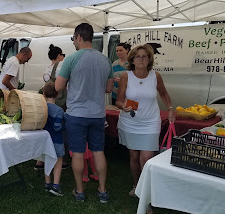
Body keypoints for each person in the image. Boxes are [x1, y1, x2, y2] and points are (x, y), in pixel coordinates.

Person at [55, 23, 114, 203]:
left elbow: (58, 87)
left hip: (76, 114)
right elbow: (108, 89)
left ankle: (80, 191)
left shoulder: (71, 59)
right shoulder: (105, 60)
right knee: (98, 152)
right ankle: (102, 191)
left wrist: (74, 85)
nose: (73, 42)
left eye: (73, 38)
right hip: (97, 114)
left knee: (78, 154)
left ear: (79, 37)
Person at [115, 44, 174, 200]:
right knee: (134, 156)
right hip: (130, 122)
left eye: (144, 56)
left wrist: (170, 108)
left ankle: (145, 194)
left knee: (146, 158)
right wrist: (124, 106)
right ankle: (137, 186)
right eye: (137, 56)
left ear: (149, 60)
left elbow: (164, 93)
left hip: (150, 122)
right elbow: (119, 100)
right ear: (132, 59)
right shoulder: (126, 76)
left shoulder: (156, 76)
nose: (141, 59)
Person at [35, 44, 70, 171]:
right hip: (59, 103)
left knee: (45, 130)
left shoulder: (47, 69)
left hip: (47, 104)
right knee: (60, 132)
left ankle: (40, 160)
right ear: (59, 56)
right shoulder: (61, 67)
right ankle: (62, 159)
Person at [42, 80, 65, 196]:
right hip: (57, 140)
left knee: (47, 160)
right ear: (57, 94)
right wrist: (64, 127)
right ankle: (56, 185)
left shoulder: (42, 108)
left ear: (44, 95)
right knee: (58, 161)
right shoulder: (59, 111)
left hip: (45, 141)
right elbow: (57, 127)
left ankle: (47, 183)